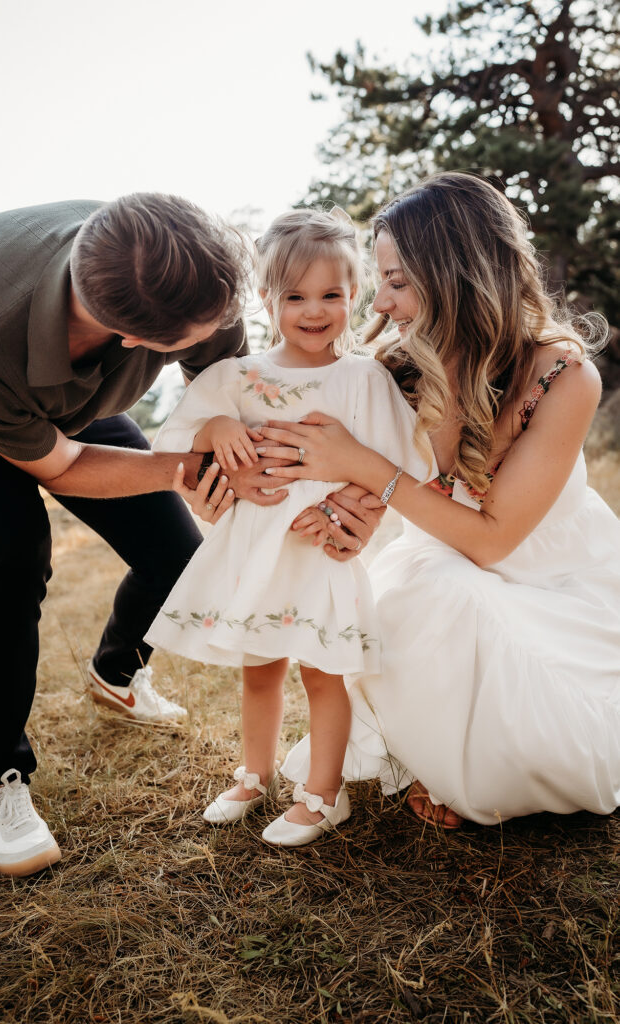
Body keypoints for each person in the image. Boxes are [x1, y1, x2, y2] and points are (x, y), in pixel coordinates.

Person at [0, 192, 292, 877]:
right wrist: (184, 469)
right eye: (193, 338)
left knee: (178, 558)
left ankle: (117, 673)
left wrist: (228, 454)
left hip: (74, 403)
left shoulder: (187, 277)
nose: (221, 332)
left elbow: (225, 384)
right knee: (14, 555)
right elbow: (64, 468)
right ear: (134, 339)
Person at [255, 172, 620, 828]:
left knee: (469, 608)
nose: (383, 303)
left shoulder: (564, 374)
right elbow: (354, 485)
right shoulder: (399, 370)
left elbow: (493, 538)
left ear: (454, 272)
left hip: (554, 577)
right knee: (432, 589)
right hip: (441, 562)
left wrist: (365, 463)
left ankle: (465, 764)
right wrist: (340, 516)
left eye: (396, 281)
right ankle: (433, 756)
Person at [145, 209, 424, 846]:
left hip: (320, 547)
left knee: (323, 670)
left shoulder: (361, 378)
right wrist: (217, 430)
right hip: (255, 549)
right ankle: (254, 772)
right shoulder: (237, 377)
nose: (314, 309)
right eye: (295, 295)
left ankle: (323, 795)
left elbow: (398, 459)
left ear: (355, 296)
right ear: (268, 299)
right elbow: (179, 441)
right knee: (261, 664)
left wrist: (347, 503)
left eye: (332, 294)